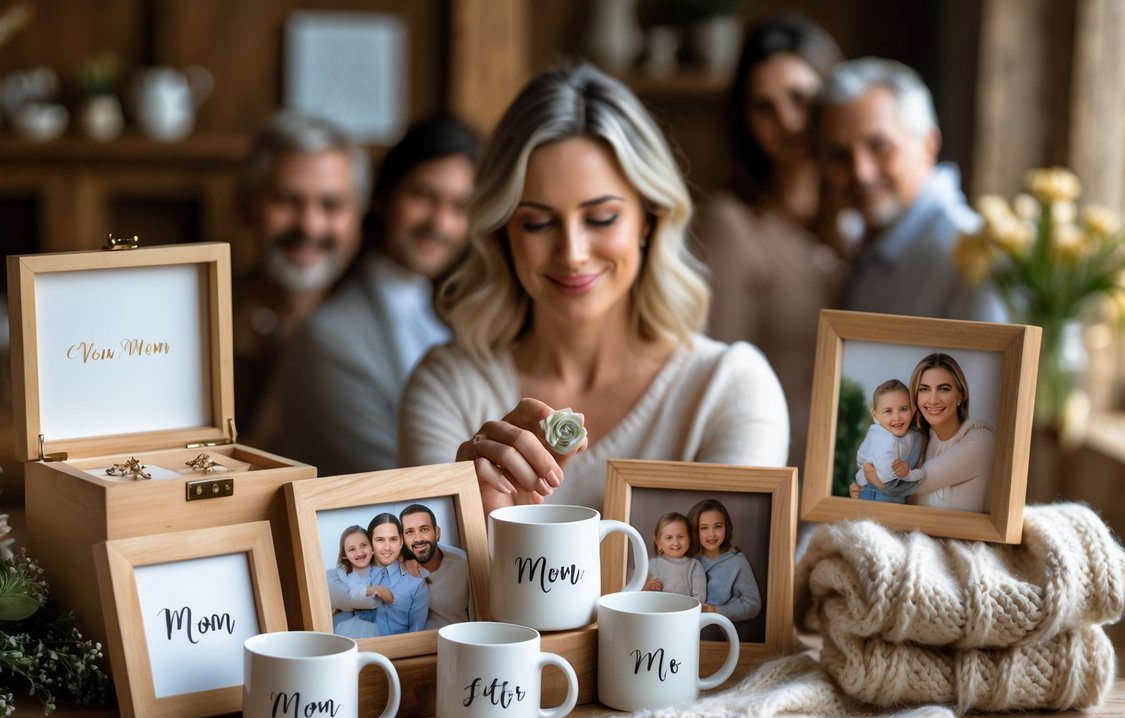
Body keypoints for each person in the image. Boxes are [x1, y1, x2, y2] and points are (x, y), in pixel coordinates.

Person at [397, 65, 790, 515]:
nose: (572, 252)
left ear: (649, 217)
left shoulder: (728, 390)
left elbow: (723, 581)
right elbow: (436, 583)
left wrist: (522, 544)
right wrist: (480, 519)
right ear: (504, 231)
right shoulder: (446, 386)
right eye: (538, 222)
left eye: (601, 217)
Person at [276, 117, 483, 473]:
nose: (440, 223)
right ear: (383, 197)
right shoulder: (331, 335)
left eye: (458, 207)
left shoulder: (461, 314)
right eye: (423, 196)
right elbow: (393, 478)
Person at [695, 15, 846, 472]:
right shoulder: (733, 223)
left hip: (872, 469)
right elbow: (719, 371)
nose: (788, 121)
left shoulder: (862, 212)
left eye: (801, 97)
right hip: (781, 466)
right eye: (765, 107)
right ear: (745, 122)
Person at [817, 58, 1005, 323]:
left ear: (928, 145)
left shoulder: (973, 261)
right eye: (839, 155)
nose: (860, 172)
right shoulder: (854, 245)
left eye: (879, 146)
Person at [232, 111, 371, 443]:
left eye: (331, 205)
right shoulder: (204, 314)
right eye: (287, 201)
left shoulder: (378, 330)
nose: (309, 226)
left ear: (359, 215)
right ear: (246, 205)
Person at [863, 352, 995, 513]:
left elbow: (899, 487)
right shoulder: (916, 444)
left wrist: (872, 476)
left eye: (944, 389)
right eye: (924, 389)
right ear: (916, 397)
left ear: (960, 396)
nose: (932, 400)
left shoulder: (981, 441)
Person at [688, 498, 761, 626]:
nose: (711, 534)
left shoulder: (737, 562)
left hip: (719, 633)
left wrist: (716, 610)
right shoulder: (686, 561)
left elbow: (752, 604)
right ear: (694, 531)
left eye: (718, 526)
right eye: (704, 528)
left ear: (727, 528)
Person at [399, 502, 470, 629]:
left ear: (437, 533)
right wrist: (402, 560)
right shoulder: (398, 567)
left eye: (424, 529)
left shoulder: (462, 563)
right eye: (410, 532)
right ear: (402, 539)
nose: (418, 538)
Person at [854, 378, 925, 503]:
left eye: (903, 409)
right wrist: (863, 479)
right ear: (875, 415)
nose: (897, 417)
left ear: (912, 410)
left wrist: (908, 474)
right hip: (868, 494)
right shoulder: (875, 435)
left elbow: (914, 476)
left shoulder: (915, 438)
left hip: (892, 501)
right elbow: (862, 459)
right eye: (888, 411)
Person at [367, 511, 429, 635]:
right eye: (380, 540)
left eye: (393, 539)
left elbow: (416, 635)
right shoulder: (355, 577)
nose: (387, 547)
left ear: (401, 541)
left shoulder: (417, 583)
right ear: (370, 544)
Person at [326, 525, 390, 638]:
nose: (359, 552)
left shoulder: (381, 572)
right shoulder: (340, 575)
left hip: (374, 629)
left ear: (372, 547)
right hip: (345, 628)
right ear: (344, 555)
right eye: (352, 549)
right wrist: (373, 590)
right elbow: (345, 597)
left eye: (364, 545)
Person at [643, 511, 706, 603]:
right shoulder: (649, 565)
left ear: (689, 538)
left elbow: (700, 599)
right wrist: (646, 590)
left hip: (685, 615)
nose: (675, 543)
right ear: (657, 541)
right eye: (669, 538)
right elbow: (638, 599)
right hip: (656, 614)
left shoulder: (695, 565)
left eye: (681, 536)